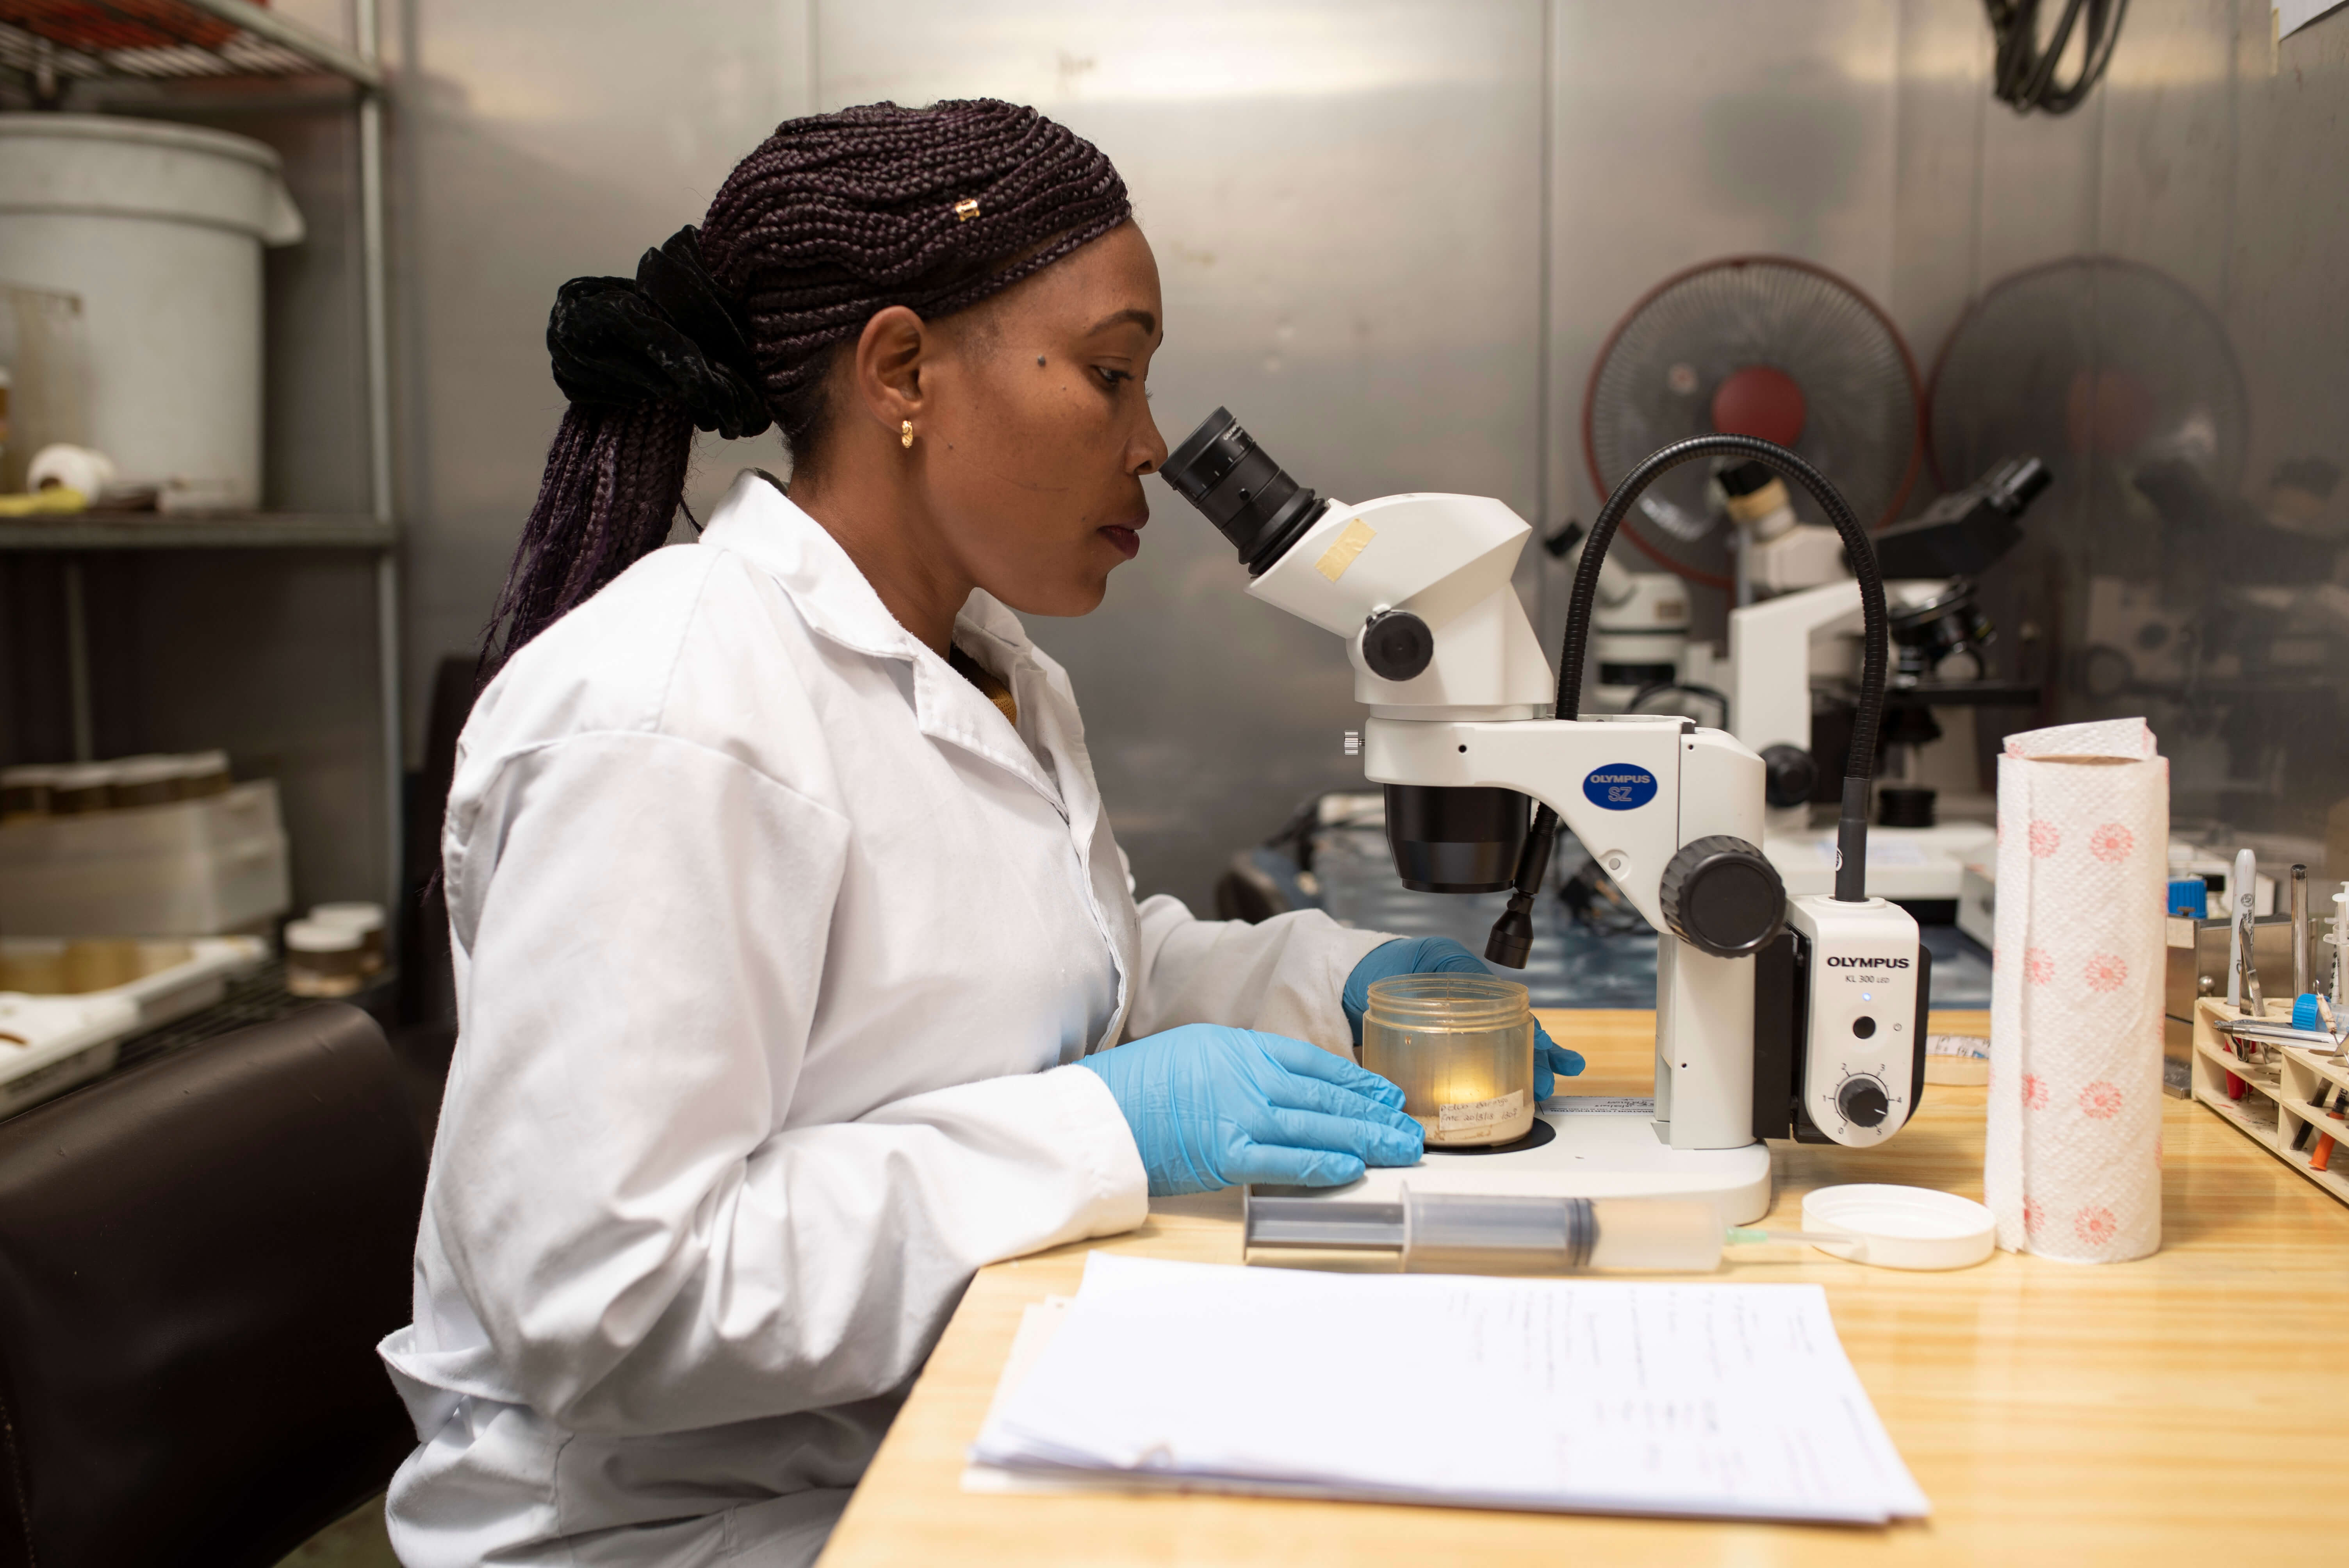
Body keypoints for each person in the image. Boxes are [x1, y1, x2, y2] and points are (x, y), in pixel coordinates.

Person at [376, 99, 1580, 1568]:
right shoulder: (670, 717)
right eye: (1112, 374)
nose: (1152, 445)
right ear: (903, 370)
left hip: (925, 1427)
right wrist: (1108, 1129)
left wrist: (1331, 989)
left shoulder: (979, 660)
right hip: (683, 1526)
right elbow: (608, 1302)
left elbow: (1050, 977)